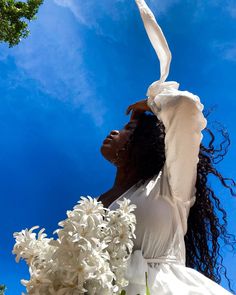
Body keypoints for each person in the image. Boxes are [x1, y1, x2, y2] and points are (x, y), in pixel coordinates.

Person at [98, 0, 235, 294]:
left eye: (128, 129)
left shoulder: (170, 187)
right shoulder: (99, 201)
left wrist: (152, 103)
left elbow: (184, 108)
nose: (115, 130)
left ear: (145, 144)